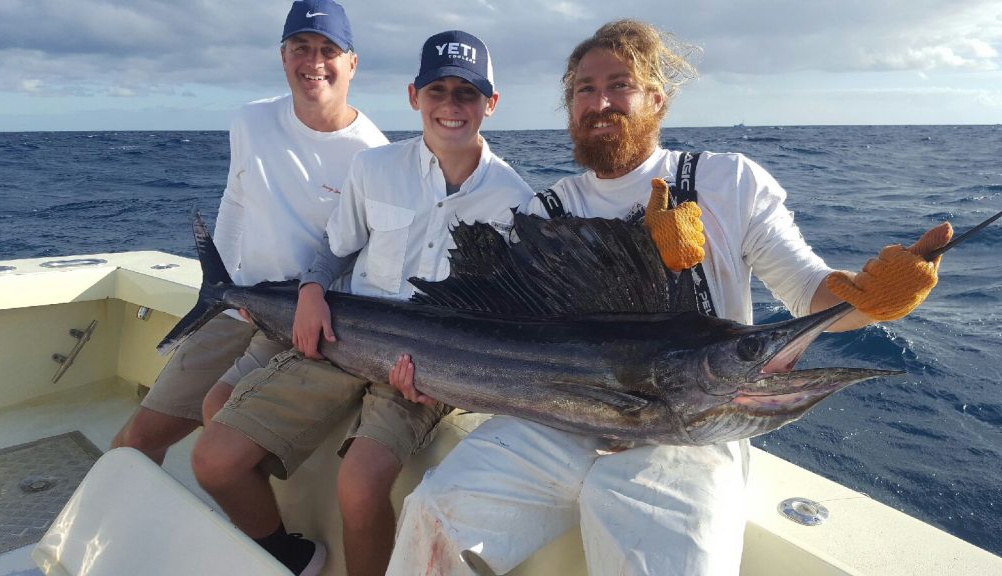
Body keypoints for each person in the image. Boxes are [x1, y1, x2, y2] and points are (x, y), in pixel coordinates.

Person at [385, 19, 951, 576]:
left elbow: (810, 293)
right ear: (570, 106)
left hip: (693, 434)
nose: (600, 101)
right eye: (585, 89)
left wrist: (873, 297)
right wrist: (433, 375)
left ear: (657, 98)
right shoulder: (545, 210)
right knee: (433, 513)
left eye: (619, 85)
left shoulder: (729, 183)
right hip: (558, 417)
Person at [190, 29, 533, 576]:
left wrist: (446, 380)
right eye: (437, 90)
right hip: (342, 340)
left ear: (490, 103)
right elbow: (334, 248)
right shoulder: (374, 168)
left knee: (359, 486)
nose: (450, 105)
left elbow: (502, 323)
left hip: (425, 372)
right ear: (413, 95)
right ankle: (293, 557)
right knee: (213, 460)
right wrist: (309, 291)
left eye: (466, 93)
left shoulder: (516, 200)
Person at [112, 0, 386, 573]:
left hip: (300, 328)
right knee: (133, 445)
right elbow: (235, 201)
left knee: (223, 431)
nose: (314, 63)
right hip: (235, 308)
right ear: (283, 56)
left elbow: (364, 264)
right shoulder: (250, 121)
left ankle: (279, 553)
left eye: (328, 51)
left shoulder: (375, 157)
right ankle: (121, 551)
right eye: (301, 48)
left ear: (353, 63)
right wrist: (221, 292)